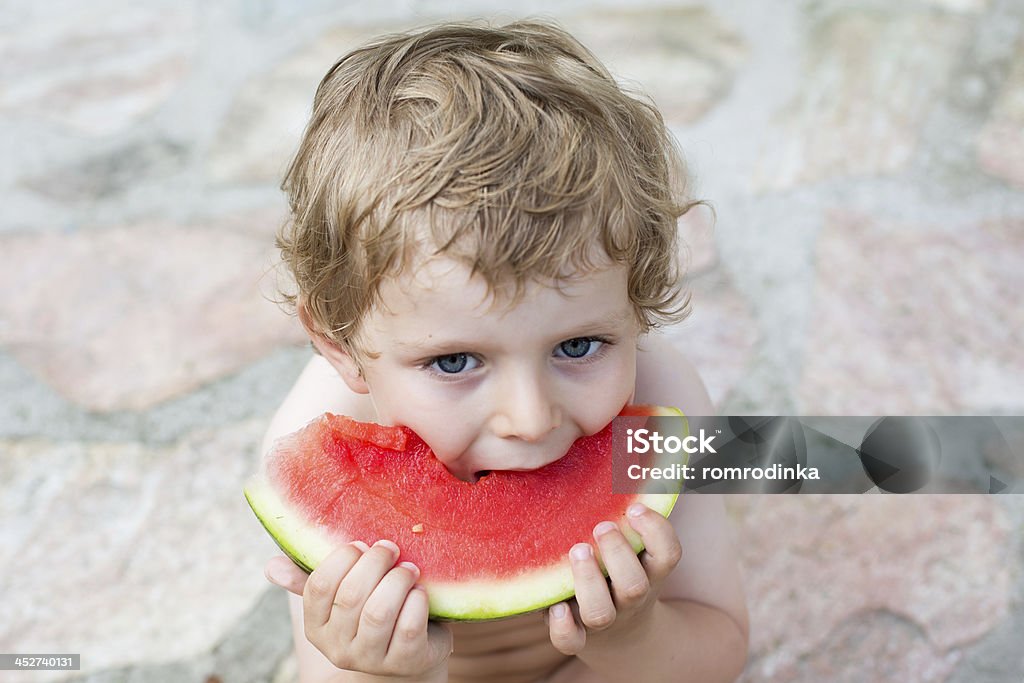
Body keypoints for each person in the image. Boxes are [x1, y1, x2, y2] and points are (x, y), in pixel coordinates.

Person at [261, 19, 748, 683]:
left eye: (578, 345)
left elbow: (720, 642)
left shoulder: (669, 397)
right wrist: (374, 669)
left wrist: (634, 640)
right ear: (338, 344)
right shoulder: (312, 440)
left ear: (634, 308)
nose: (530, 417)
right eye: (455, 362)